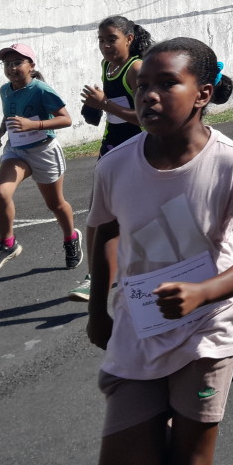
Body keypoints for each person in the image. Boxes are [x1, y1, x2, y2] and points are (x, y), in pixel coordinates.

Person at [86, 37, 233, 465]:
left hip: (207, 325)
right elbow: (104, 233)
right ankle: (176, 418)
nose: (148, 95)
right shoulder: (115, 166)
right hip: (141, 324)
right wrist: (98, 311)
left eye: (167, 83)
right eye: (142, 85)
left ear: (203, 94)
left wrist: (203, 293)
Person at [72, 16, 153, 302]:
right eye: (101, 40)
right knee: (97, 211)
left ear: (129, 39)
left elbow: (145, 118)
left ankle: (145, 272)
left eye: (111, 39)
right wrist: (95, 107)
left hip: (138, 149)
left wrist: (104, 104)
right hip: (111, 147)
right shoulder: (108, 66)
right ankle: (94, 277)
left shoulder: (136, 69)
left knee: (135, 216)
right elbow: (112, 105)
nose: (105, 45)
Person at [0, 43, 79, 274]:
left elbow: (66, 119)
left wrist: (33, 125)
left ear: (31, 65)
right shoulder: (5, 90)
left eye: (17, 63)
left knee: (55, 204)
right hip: (17, 151)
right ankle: (8, 243)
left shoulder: (41, 90)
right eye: (7, 64)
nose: (12, 68)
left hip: (44, 151)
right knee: (1, 193)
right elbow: (9, 112)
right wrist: (2, 128)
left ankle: (71, 238)